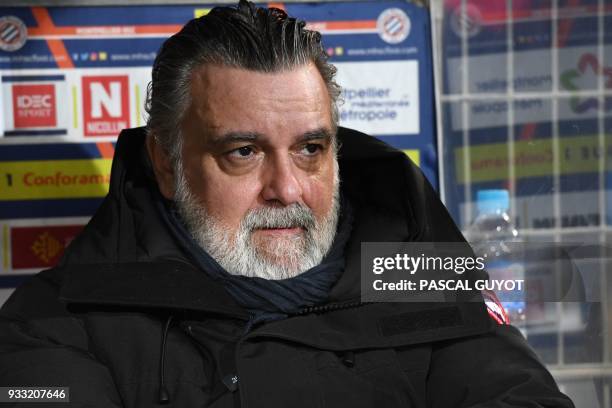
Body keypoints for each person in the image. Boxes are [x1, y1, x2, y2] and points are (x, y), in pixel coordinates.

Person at [0, 1, 574, 407]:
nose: (288, 188)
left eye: (310, 149)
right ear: (166, 165)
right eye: (243, 152)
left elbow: (520, 394)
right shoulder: (53, 324)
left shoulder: (416, 270)